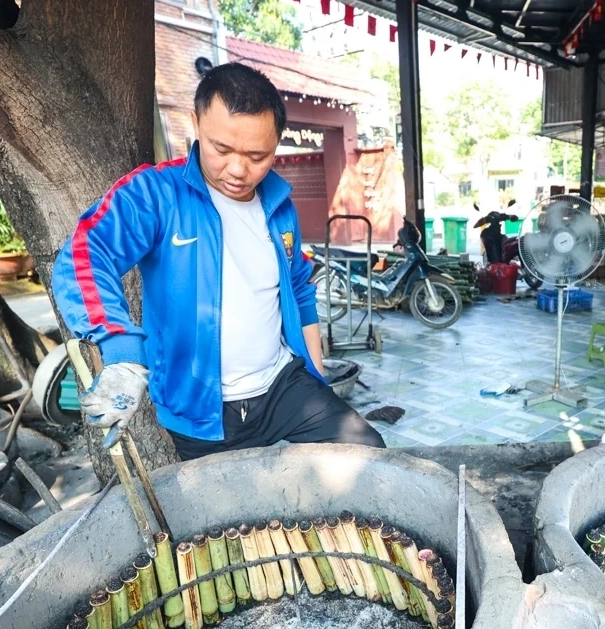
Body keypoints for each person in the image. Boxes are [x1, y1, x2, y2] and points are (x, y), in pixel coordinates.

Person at [52, 63, 384, 460]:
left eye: (257, 155)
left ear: (276, 143)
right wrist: (120, 348)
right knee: (230, 499)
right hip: (200, 408)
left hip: (283, 385)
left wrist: (317, 377)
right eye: (221, 150)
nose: (238, 170)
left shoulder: (279, 206)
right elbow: (84, 256)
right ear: (196, 123)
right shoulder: (156, 194)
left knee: (369, 456)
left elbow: (299, 288)